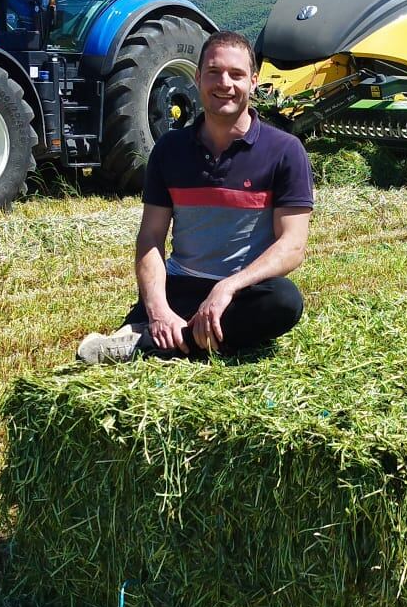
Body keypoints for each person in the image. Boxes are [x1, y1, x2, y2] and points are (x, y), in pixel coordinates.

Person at [77, 31, 314, 363]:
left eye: (236, 74)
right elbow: (150, 237)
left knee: (285, 301)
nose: (224, 83)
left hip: (242, 292)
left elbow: (292, 246)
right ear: (198, 77)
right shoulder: (169, 150)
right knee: (165, 310)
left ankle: (149, 343)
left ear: (253, 82)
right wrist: (158, 309)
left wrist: (227, 287)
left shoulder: (285, 151)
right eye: (214, 72)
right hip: (181, 286)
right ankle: (176, 333)